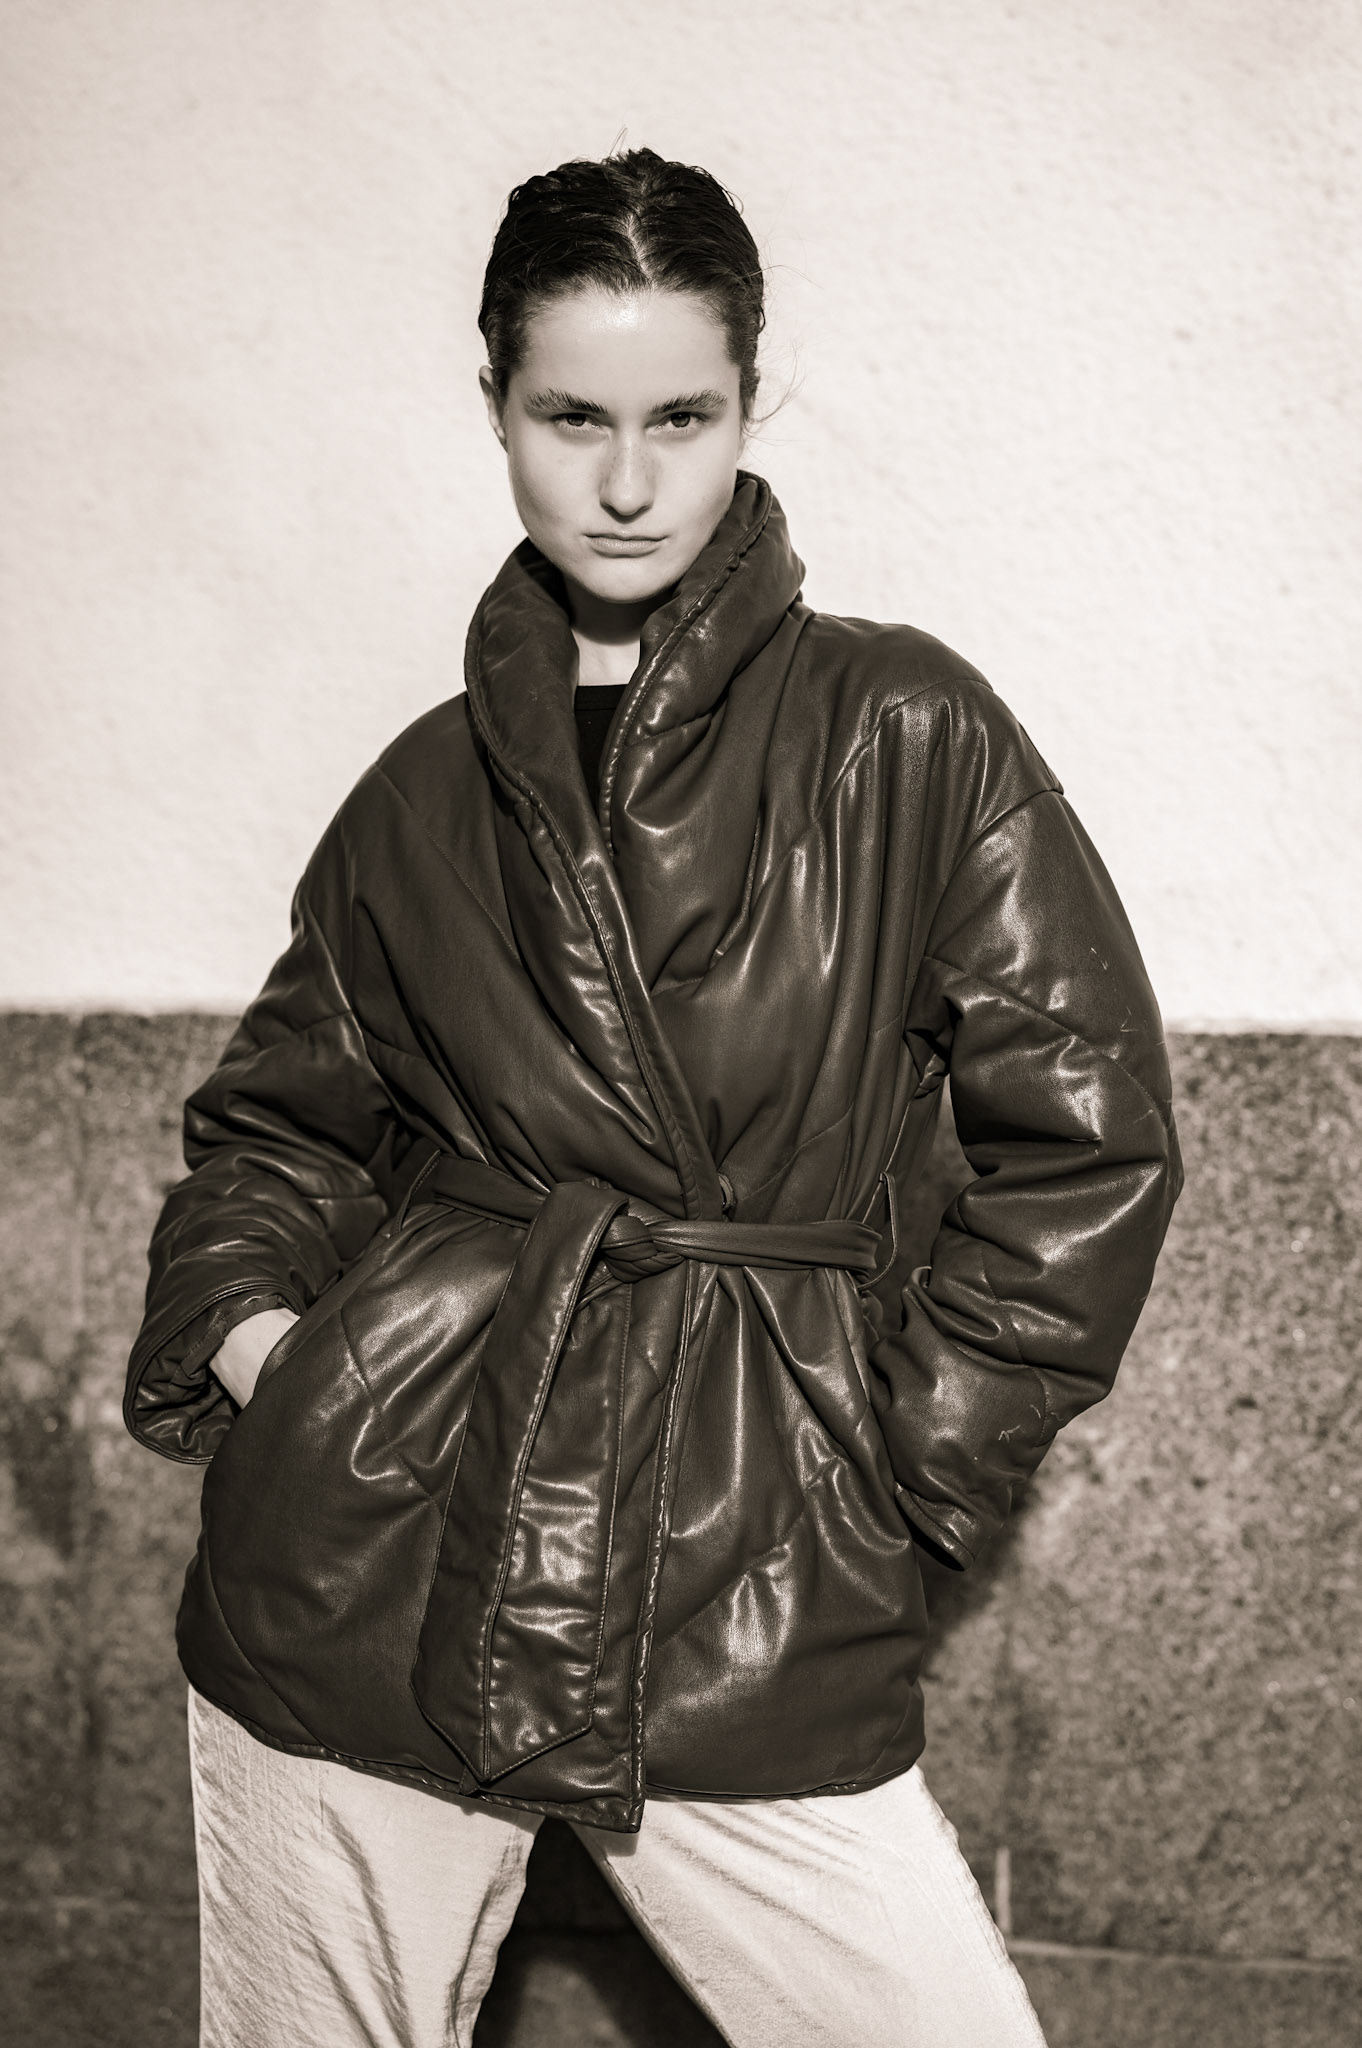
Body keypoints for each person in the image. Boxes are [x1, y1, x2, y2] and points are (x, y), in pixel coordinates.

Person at [125, 146, 1183, 2048]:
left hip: (752, 1536)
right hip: (378, 1543)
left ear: (749, 404)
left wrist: (897, 1466)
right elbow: (276, 1130)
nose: (626, 482)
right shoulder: (419, 795)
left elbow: (1086, 1145)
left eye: (678, 417)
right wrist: (281, 1356)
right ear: (496, 409)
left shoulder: (902, 730)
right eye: (573, 417)